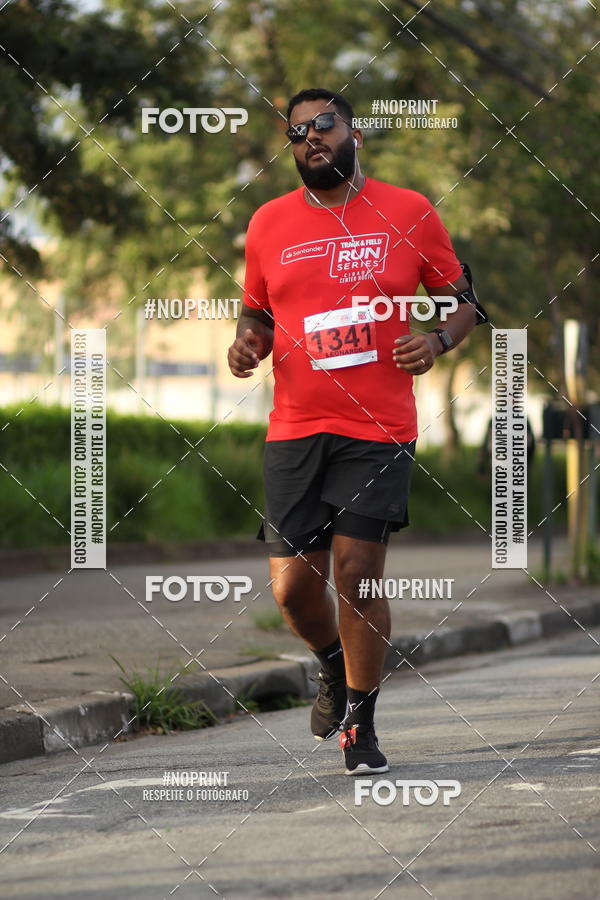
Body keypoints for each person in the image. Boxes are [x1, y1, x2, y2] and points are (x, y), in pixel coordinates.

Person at [227, 87, 487, 775]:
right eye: (297, 132)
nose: (310, 138)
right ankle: (332, 665)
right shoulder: (267, 223)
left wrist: (435, 340)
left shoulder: (409, 210)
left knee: (359, 573)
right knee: (291, 589)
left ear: (356, 133)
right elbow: (255, 312)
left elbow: (464, 303)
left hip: (378, 427)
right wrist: (246, 345)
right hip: (294, 428)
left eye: (323, 125)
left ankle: (361, 726)